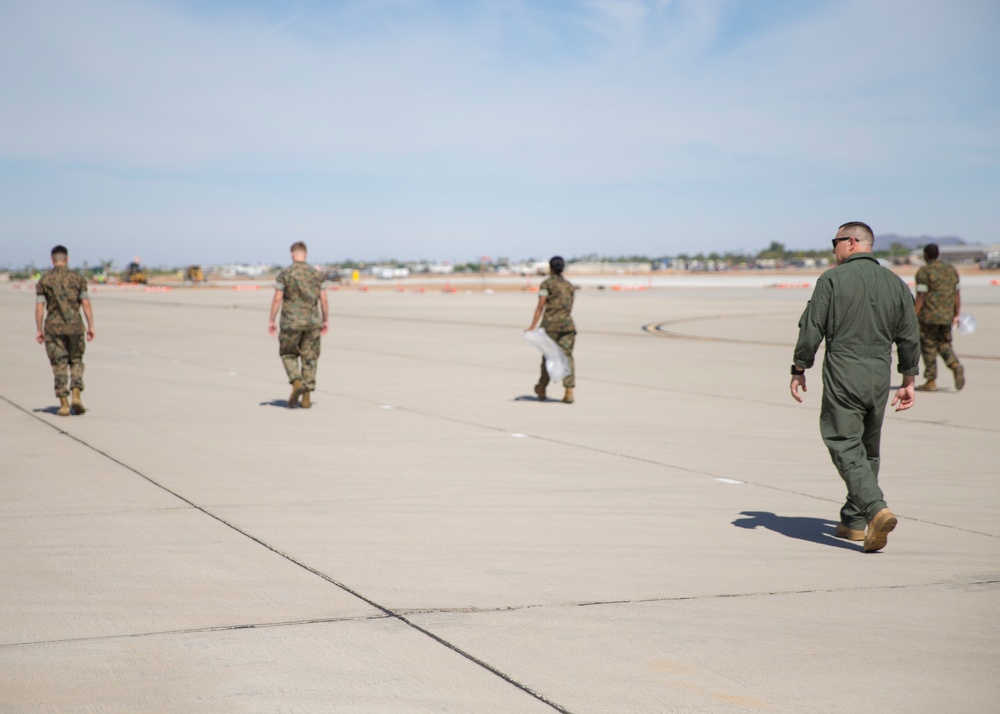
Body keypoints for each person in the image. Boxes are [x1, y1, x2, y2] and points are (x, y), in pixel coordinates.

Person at [790, 222, 920, 553]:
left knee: (842, 441)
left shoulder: (832, 280)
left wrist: (799, 366)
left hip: (844, 371)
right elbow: (908, 334)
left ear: (851, 242)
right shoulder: (896, 283)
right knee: (868, 448)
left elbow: (812, 327)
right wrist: (908, 380)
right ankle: (854, 520)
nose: (833, 250)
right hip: (879, 374)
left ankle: (875, 509)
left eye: (835, 242)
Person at [35, 245, 95, 416]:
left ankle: (63, 403)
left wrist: (39, 329)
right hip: (75, 327)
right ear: (67, 259)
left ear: (52, 260)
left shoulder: (45, 281)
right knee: (76, 360)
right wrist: (91, 325)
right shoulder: (78, 279)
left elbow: (40, 307)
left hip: (54, 329)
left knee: (59, 364)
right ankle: (76, 392)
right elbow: (86, 303)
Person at [268, 242, 329, 408]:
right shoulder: (316, 274)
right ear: (306, 255)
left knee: (288, 354)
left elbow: (277, 298)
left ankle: (296, 382)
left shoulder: (285, 274)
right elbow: (323, 299)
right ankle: (307, 395)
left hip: (290, 322)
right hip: (312, 323)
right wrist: (325, 320)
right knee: (310, 358)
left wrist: (271, 320)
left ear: (291, 255)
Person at [526, 256, 577, 404]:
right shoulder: (569, 285)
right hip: (567, 326)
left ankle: (542, 388)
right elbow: (570, 306)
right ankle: (569, 390)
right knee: (567, 357)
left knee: (549, 357)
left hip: (550, 326)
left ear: (551, 268)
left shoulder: (546, 284)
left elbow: (540, 306)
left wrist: (532, 326)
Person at [914, 244, 964, 392]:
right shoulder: (950, 270)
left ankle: (931, 380)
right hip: (947, 316)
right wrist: (956, 314)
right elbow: (956, 294)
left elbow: (921, 295)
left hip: (929, 316)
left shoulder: (924, 271)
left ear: (926, 255)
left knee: (928, 346)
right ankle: (954, 364)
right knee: (944, 343)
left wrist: (913, 315)